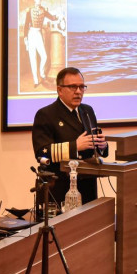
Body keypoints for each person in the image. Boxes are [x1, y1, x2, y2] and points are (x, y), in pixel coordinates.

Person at [31, 67, 108, 207]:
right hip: (60, 188)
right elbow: (41, 151)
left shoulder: (87, 111)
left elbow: (92, 142)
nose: (78, 91)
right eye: (73, 87)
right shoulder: (46, 114)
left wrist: (102, 145)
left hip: (87, 186)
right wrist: (75, 147)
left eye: (81, 87)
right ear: (59, 90)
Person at [22, 0, 61, 89]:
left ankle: (42, 74)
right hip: (31, 34)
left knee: (44, 56)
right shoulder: (29, 10)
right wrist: (25, 39)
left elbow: (52, 17)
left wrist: (57, 17)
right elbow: (26, 25)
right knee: (33, 57)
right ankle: (36, 80)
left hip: (39, 34)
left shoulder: (43, 10)